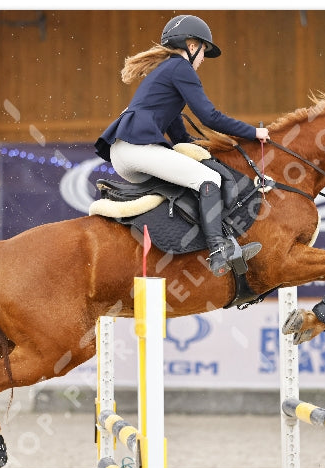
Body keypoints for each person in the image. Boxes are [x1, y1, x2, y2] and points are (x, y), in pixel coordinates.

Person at [95, 14, 269, 277]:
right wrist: (253, 132)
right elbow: (210, 116)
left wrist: (197, 149)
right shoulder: (180, 68)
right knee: (209, 179)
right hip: (135, 149)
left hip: (125, 152)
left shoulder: (166, 71)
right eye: (203, 52)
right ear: (191, 45)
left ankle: (214, 241)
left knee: (193, 178)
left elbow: (177, 132)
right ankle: (217, 250)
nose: (202, 60)